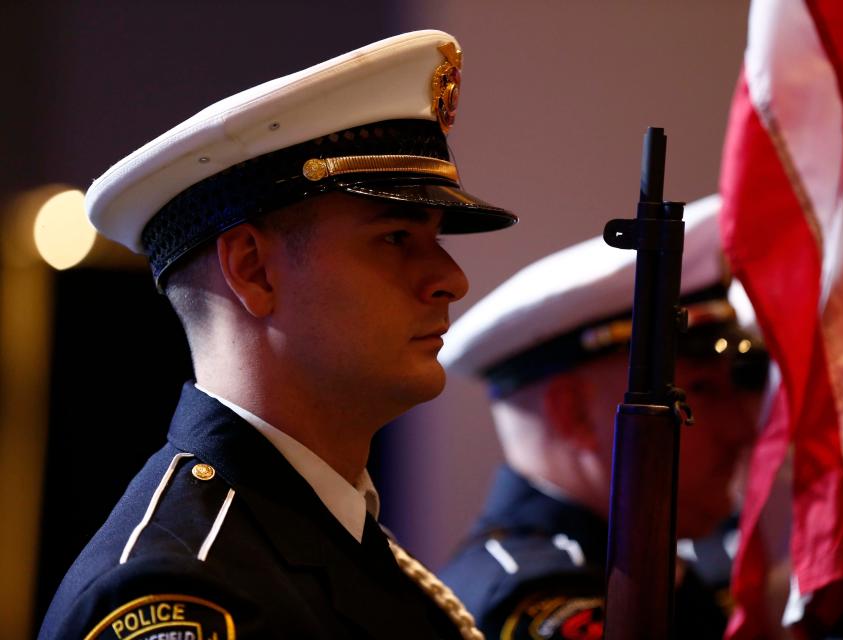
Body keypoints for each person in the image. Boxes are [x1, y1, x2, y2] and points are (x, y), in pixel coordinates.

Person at [39, 30, 517, 640]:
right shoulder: (184, 595)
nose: (452, 280)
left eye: (437, 240)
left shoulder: (329, 545)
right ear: (253, 269)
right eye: (396, 238)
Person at [437, 195, 767, 639]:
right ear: (574, 412)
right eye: (703, 390)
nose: (743, 431)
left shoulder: (689, 562)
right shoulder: (537, 601)